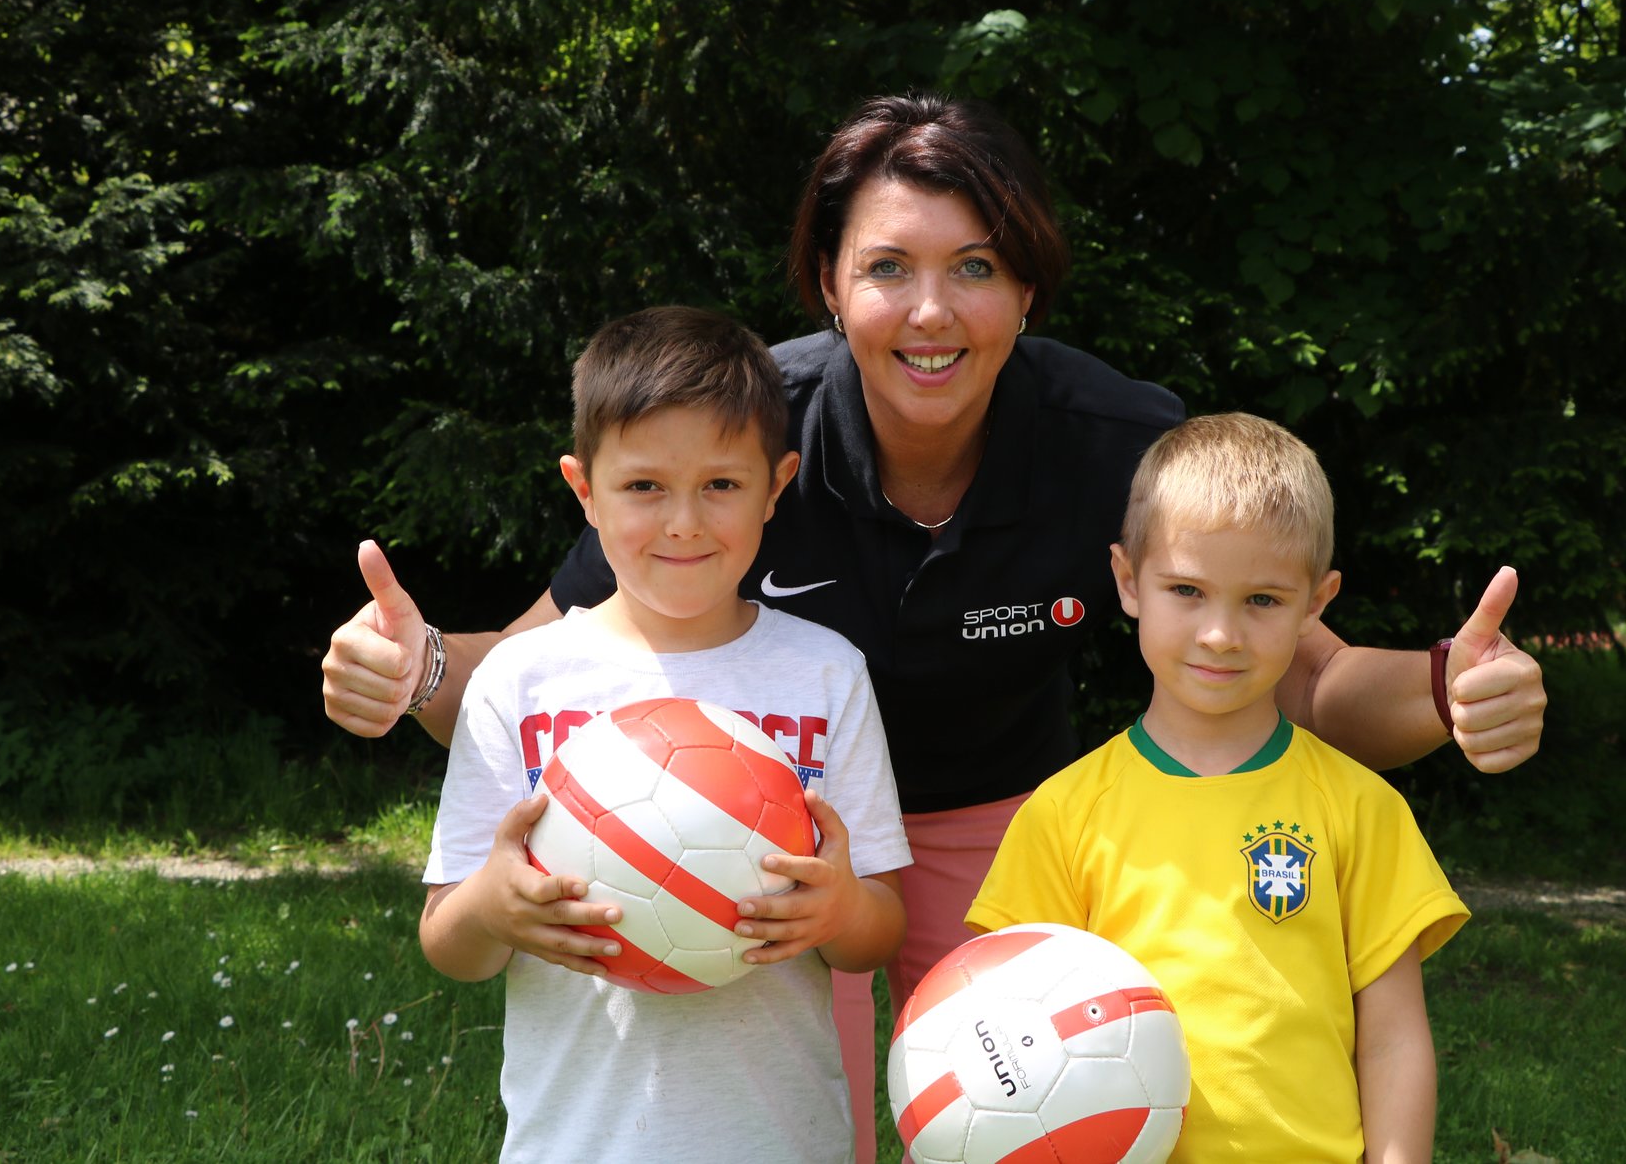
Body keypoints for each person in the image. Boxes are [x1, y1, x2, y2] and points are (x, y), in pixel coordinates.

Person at [326, 95, 1545, 1161]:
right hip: (756, 828)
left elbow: (1309, 682)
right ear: (828, 283)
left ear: (1025, 288)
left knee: (1028, 1126)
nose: (930, 310)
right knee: (809, 1119)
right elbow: (548, 652)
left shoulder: (1108, 440)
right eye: (886, 268)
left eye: (974, 267)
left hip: (1017, 830)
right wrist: (417, 662)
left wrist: (1445, 687)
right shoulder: (731, 439)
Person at [418, 306, 910, 1164]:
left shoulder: (825, 674)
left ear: (776, 485)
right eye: (645, 486)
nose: (683, 521)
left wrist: (839, 907)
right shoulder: (523, 680)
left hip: (780, 1140)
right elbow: (449, 944)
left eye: (721, 484)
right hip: (578, 1143)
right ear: (584, 491)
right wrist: (493, 906)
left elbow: (878, 926)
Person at [966, 413, 1469, 1163]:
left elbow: (1394, 1036)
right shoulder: (1066, 813)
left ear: (1316, 603)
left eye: (1262, 599)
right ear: (1129, 581)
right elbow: (1008, 1026)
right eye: (1188, 590)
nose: (1220, 633)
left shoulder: (1361, 808)